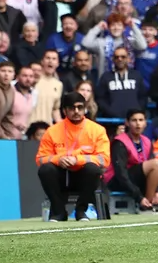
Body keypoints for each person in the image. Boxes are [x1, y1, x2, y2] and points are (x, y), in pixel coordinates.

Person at [35, 91, 110, 222]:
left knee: (93, 169)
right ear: (64, 111)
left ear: (85, 109)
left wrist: (78, 160)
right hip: (61, 175)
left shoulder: (97, 130)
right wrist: (58, 159)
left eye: (80, 107)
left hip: (84, 177)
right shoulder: (52, 131)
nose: (76, 111)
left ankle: (81, 211)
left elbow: (104, 160)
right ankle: (59, 212)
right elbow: (40, 159)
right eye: (71, 108)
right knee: (45, 169)